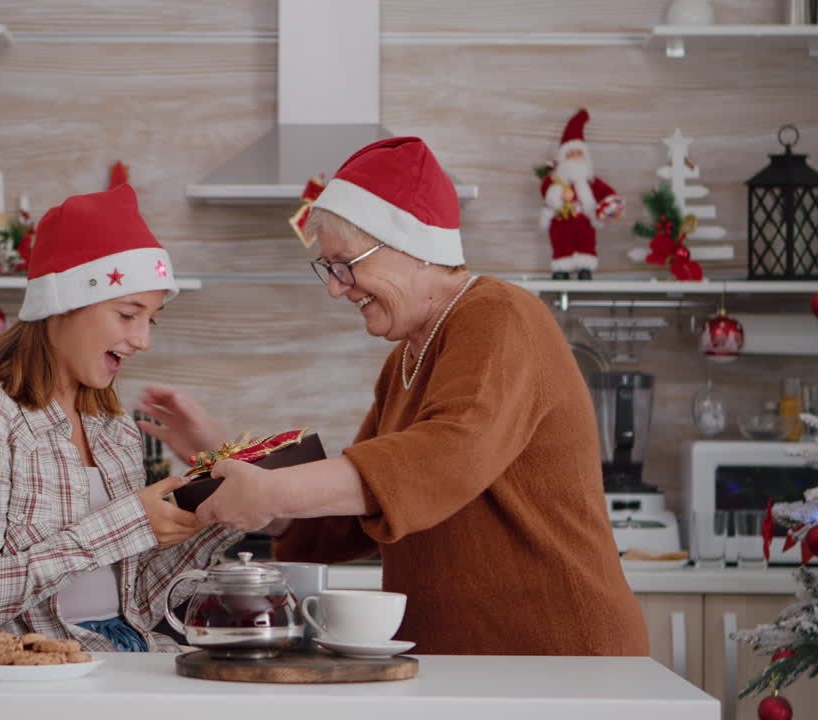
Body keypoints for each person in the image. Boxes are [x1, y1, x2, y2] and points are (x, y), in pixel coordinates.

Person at [137, 137, 649, 656]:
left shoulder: (499, 317)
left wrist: (271, 492)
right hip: (472, 661)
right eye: (329, 269)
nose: (337, 287)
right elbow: (357, 512)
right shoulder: (405, 358)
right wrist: (229, 459)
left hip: (557, 658)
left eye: (344, 264)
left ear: (412, 246)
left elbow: (444, 456)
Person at [0, 184, 242, 652]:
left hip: (124, 654)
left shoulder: (115, 431)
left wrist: (216, 514)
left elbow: (136, 603)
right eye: (127, 314)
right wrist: (127, 523)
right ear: (61, 306)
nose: (142, 340)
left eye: (150, 320)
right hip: (31, 670)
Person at [538, 108, 625, 280]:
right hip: (562, 219)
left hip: (585, 221)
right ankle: (561, 270)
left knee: (586, 243)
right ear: (563, 158)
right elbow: (545, 189)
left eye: (578, 153)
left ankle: (585, 269)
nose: (574, 158)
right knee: (561, 243)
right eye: (570, 154)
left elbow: (608, 194)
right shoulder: (556, 179)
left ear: (585, 157)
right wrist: (559, 195)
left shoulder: (591, 181)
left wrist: (611, 206)